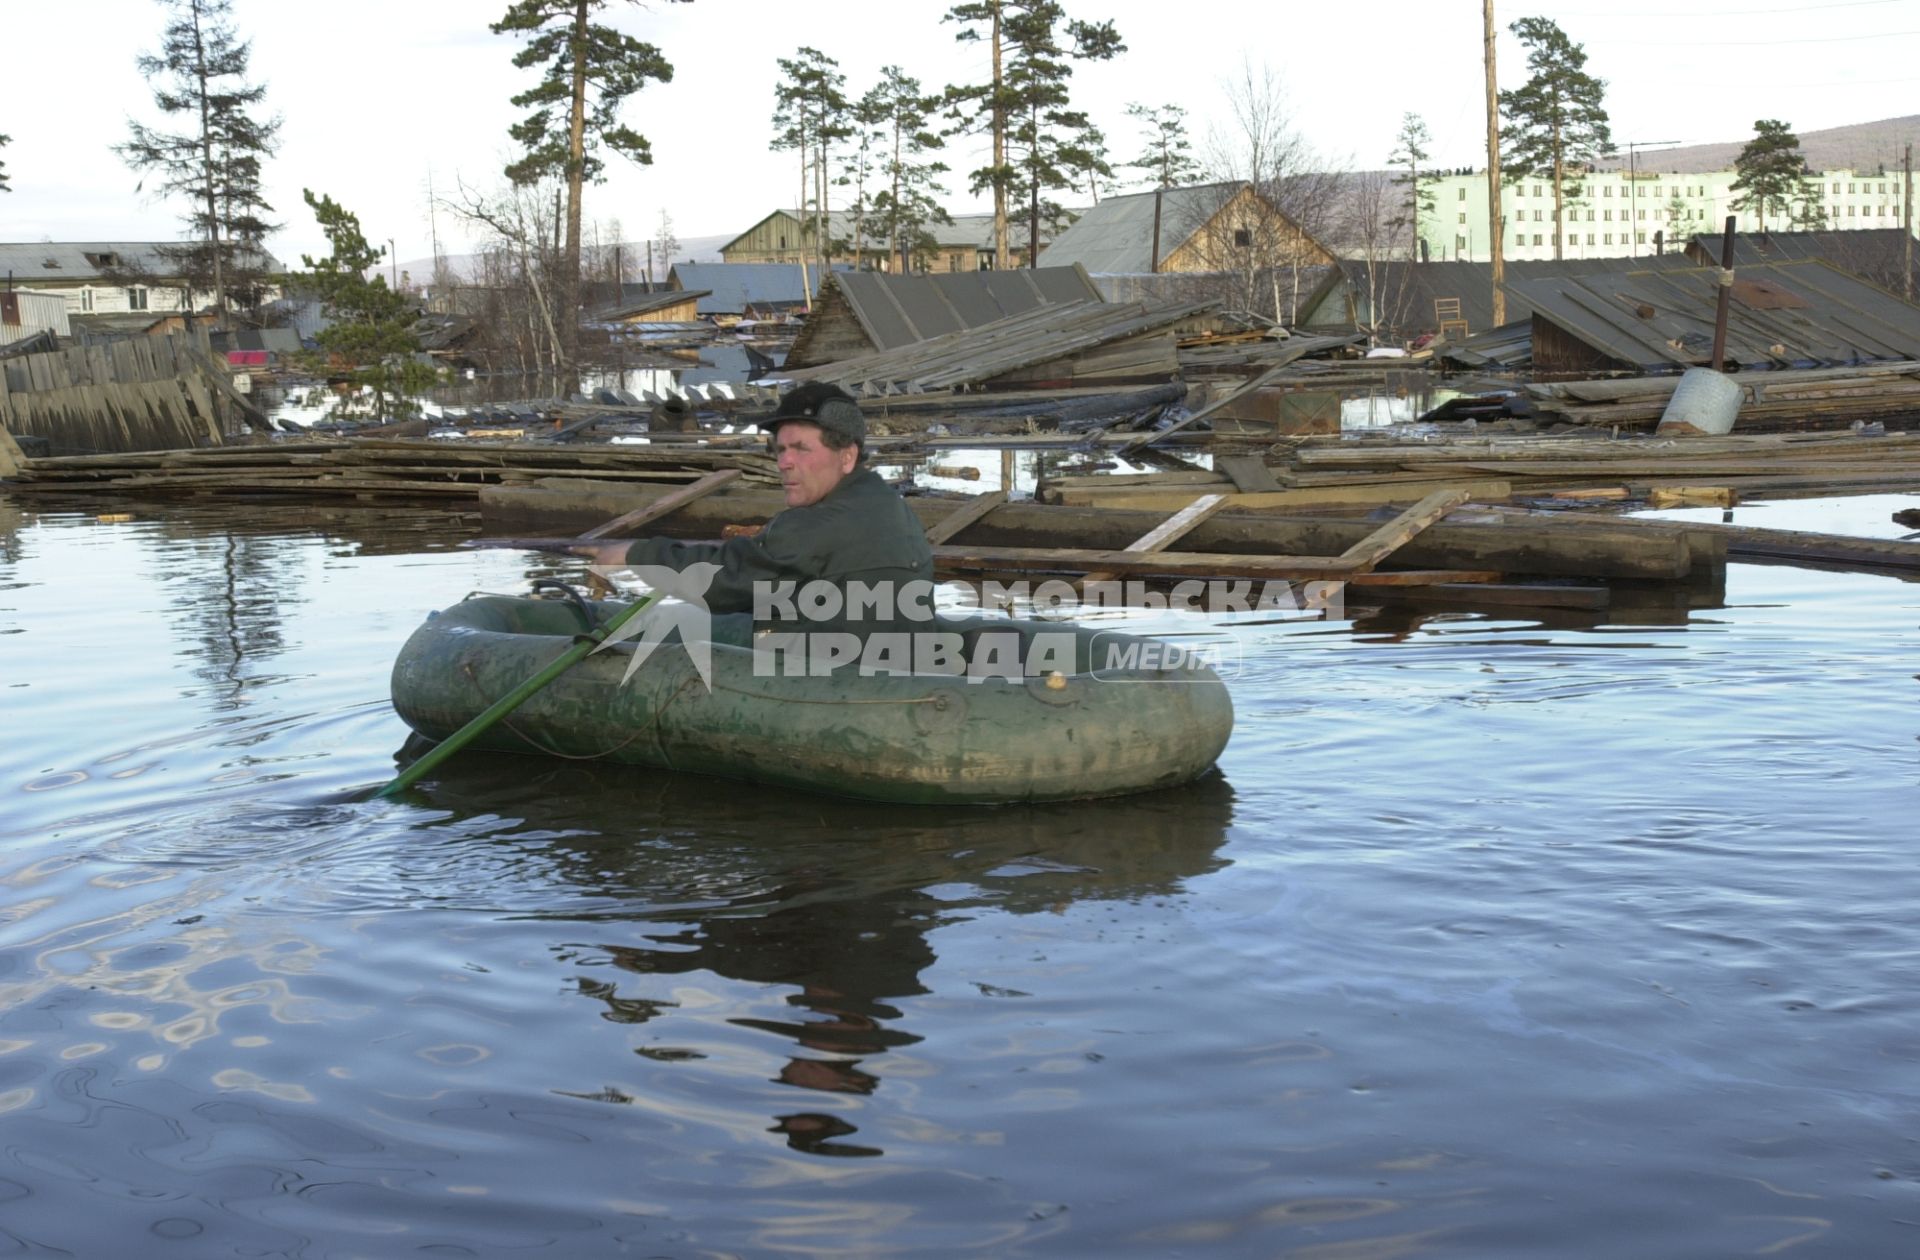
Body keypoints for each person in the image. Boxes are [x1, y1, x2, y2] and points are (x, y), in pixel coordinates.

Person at [573, 381, 934, 640]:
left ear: (847, 455)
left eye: (800, 449)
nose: (784, 463)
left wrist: (635, 554)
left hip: (837, 684)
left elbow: (720, 580)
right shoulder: (889, 504)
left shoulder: (815, 525)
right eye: (780, 450)